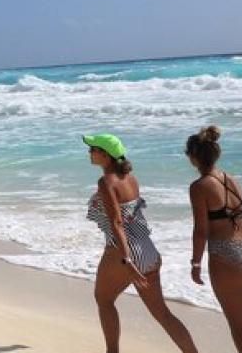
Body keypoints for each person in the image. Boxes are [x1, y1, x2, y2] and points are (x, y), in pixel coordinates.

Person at [84, 133, 198, 353]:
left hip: (123, 251)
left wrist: (127, 260)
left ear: (105, 155)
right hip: (148, 249)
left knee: (104, 300)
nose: (89, 152)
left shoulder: (105, 182)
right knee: (163, 314)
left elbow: (117, 222)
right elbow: (131, 217)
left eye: (93, 149)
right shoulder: (131, 178)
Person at [185, 126, 242, 353]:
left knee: (238, 326)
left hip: (227, 255)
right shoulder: (231, 180)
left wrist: (195, 264)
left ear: (193, 157)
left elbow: (201, 231)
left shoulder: (199, 187)